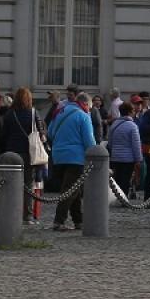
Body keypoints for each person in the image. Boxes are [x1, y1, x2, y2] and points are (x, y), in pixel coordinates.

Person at [48, 92, 96, 231]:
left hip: (58, 156)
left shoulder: (60, 111)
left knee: (74, 190)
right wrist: (97, 155)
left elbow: (50, 132)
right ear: (85, 104)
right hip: (76, 158)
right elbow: (89, 141)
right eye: (90, 107)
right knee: (70, 190)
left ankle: (78, 221)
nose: (90, 110)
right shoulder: (83, 116)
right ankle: (59, 221)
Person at [0, 87, 46, 224]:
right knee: (28, 185)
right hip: (28, 153)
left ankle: (10, 213)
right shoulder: (33, 113)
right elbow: (41, 133)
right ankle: (27, 216)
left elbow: (3, 135)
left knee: (11, 185)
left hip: (11, 153)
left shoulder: (9, 114)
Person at [107, 101, 142, 202]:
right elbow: (136, 144)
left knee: (117, 179)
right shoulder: (132, 126)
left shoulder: (114, 125)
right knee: (126, 180)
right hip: (128, 158)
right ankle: (123, 199)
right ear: (131, 112)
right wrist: (138, 159)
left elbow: (110, 142)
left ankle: (116, 198)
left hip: (115, 157)